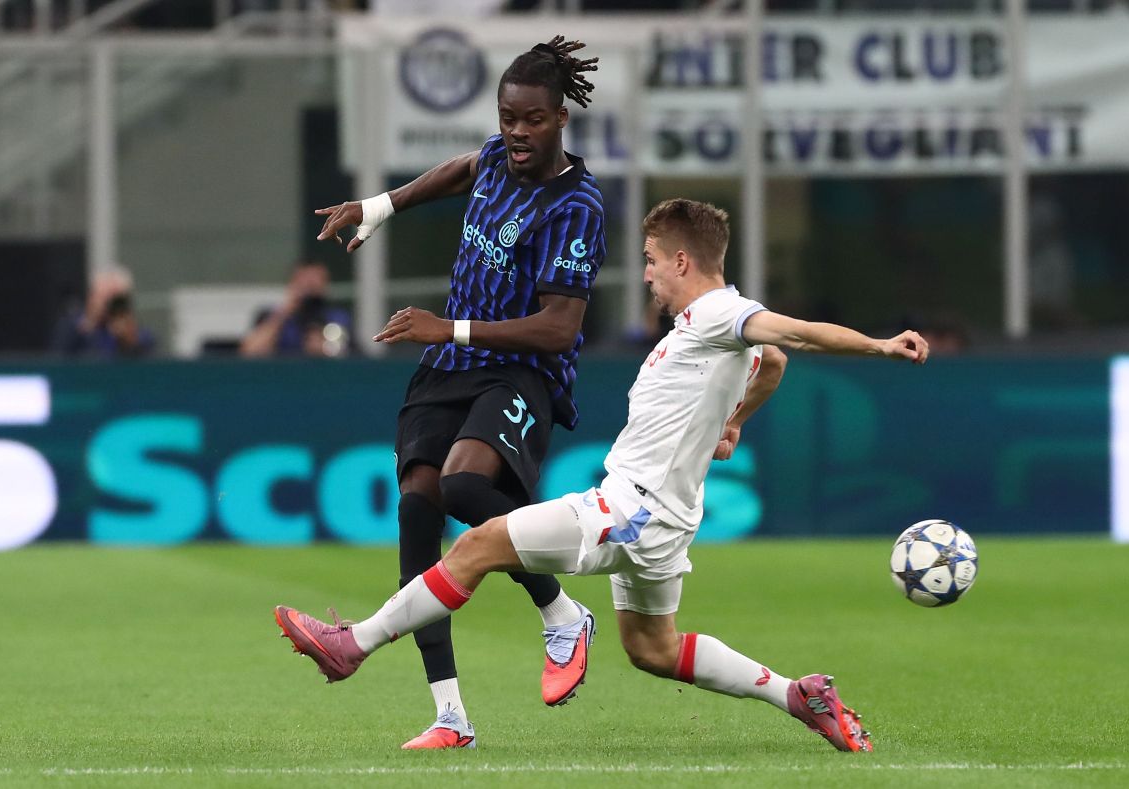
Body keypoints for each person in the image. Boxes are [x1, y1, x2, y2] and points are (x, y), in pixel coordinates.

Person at [275, 198, 929, 753]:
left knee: (476, 544)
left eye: (650, 260)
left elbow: (796, 334)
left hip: (632, 511)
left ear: (681, 260)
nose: (645, 275)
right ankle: (800, 694)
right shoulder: (707, 330)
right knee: (653, 649)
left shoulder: (715, 314)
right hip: (667, 522)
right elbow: (774, 361)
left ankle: (352, 644)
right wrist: (734, 424)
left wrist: (877, 344)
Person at [303, 36, 605, 749]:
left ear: (560, 118)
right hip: (447, 364)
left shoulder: (577, 205)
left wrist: (450, 325)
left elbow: (559, 329)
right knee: (417, 506)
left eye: (532, 119)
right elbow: (463, 168)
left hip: (519, 370)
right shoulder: (499, 157)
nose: (517, 132)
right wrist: (382, 205)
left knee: (468, 488)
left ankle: (563, 613)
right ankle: (449, 714)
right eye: (507, 117)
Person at [239, 260, 353, 358]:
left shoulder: (338, 317)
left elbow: (353, 355)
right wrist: (284, 311)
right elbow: (250, 352)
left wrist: (325, 348)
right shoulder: (272, 316)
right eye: (305, 281)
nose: (310, 287)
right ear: (292, 283)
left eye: (316, 281)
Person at [51, 266, 156, 358]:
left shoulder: (138, 333)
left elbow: (147, 364)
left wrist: (129, 340)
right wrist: (89, 325)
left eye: (115, 298)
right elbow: (59, 359)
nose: (109, 305)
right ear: (92, 297)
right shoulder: (72, 327)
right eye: (105, 297)